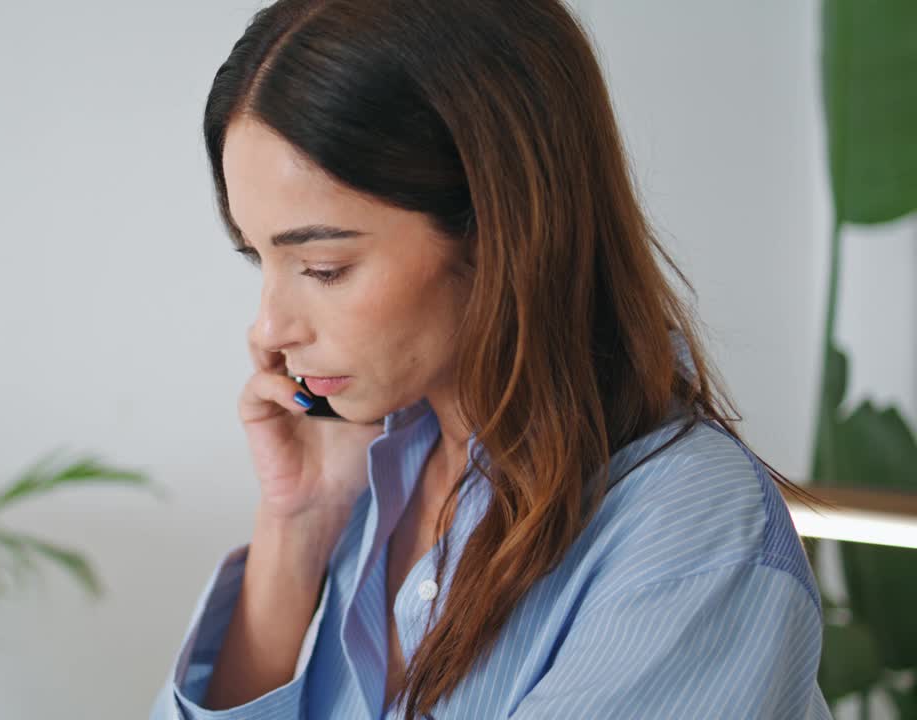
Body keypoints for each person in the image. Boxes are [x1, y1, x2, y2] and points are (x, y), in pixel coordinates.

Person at [149, 0, 831, 718]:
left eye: (322, 267)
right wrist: (296, 526)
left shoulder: (690, 537)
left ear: (499, 225)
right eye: (258, 259)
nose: (269, 326)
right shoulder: (372, 467)